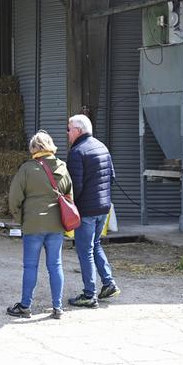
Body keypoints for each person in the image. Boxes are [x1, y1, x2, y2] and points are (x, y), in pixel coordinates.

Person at [7, 131, 71, 319]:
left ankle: (25, 306)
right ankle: (57, 307)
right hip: (56, 225)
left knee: (30, 267)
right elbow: (69, 196)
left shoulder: (27, 169)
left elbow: (14, 198)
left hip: (33, 224)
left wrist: (21, 218)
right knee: (55, 265)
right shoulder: (63, 167)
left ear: (34, 148)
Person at [66, 114, 120, 308]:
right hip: (103, 207)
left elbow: (75, 187)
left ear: (78, 130)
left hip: (87, 210)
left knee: (85, 250)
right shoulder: (102, 146)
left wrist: (69, 207)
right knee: (95, 244)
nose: (67, 132)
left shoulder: (77, 152)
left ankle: (89, 294)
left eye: (69, 129)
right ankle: (108, 283)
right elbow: (111, 176)